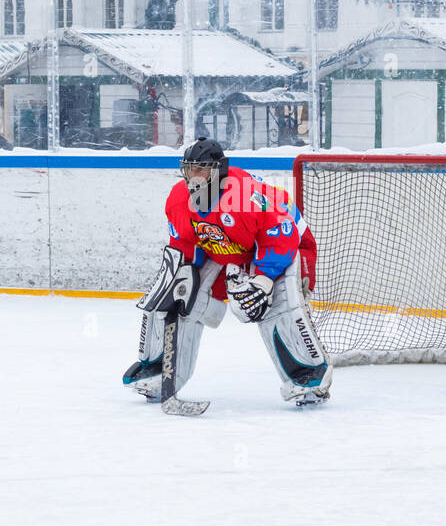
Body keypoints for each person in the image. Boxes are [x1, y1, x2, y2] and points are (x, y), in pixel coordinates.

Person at [122, 136, 332, 408]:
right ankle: (160, 368)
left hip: (284, 243)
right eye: (190, 169)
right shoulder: (178, 200)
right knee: (178, 294)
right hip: (226, 249)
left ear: (218, 170)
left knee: (275, 302)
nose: (193, 177)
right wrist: (181, 280)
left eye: (201, 170)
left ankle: (307, 373)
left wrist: (265, 278)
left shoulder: (247, 197)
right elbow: (186, 244)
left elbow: (281, 236)